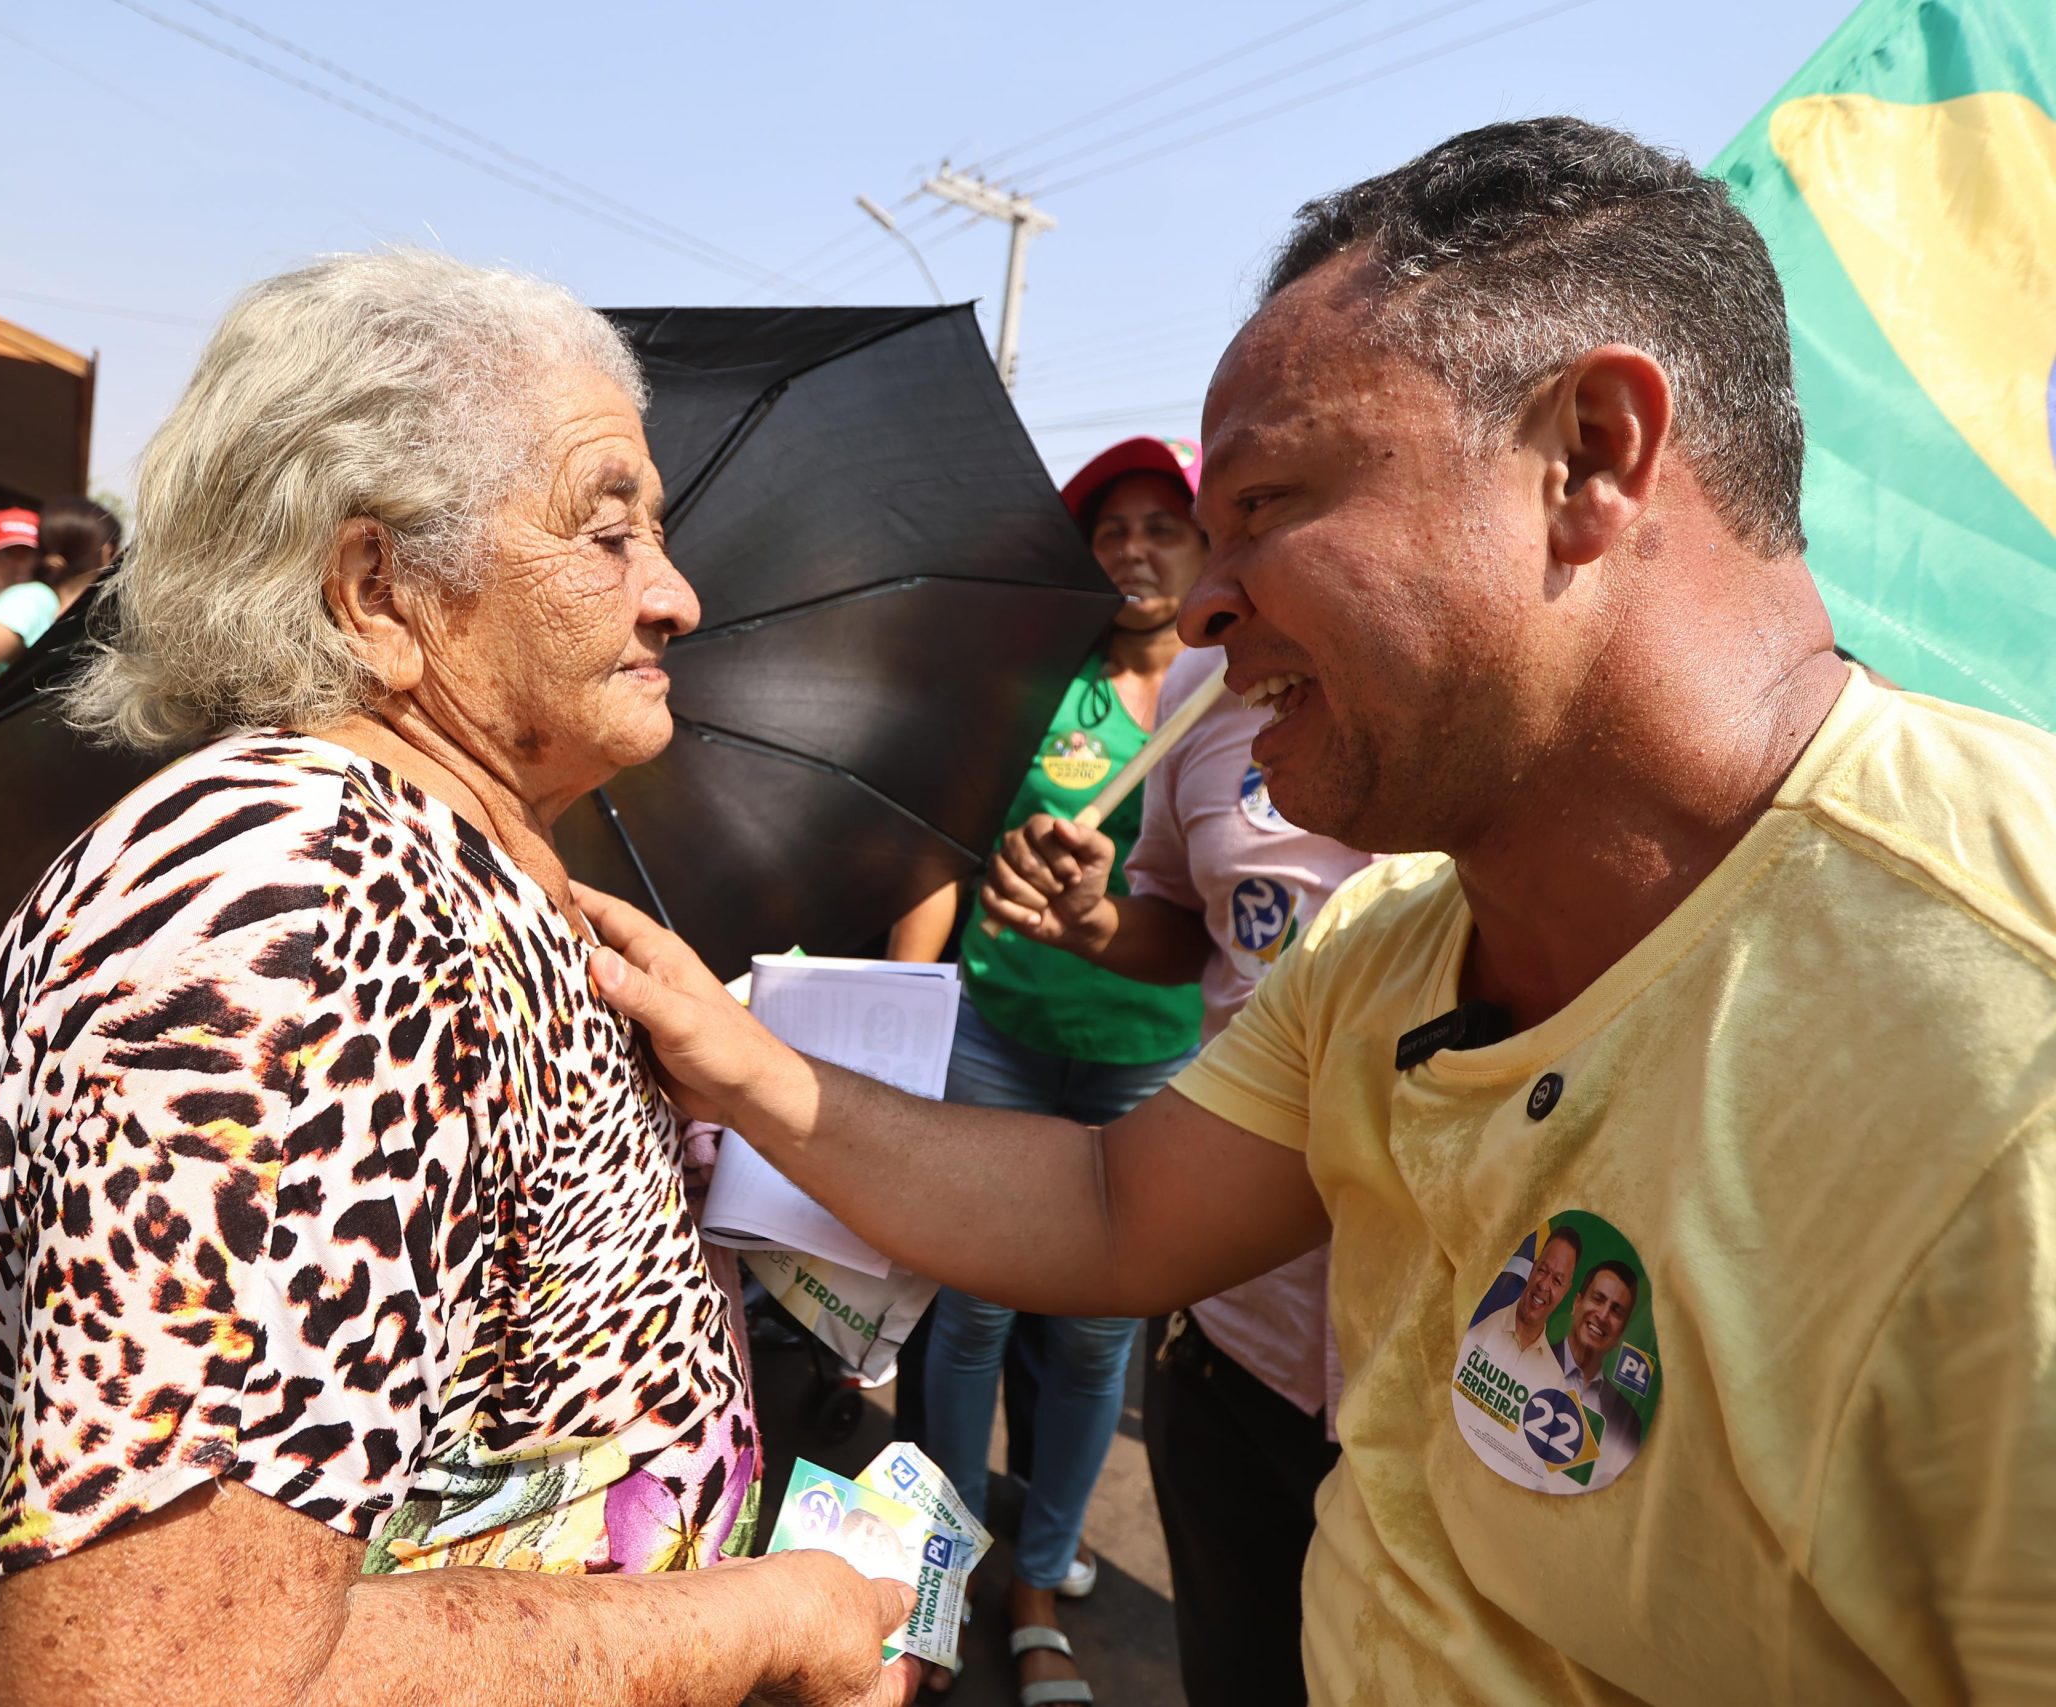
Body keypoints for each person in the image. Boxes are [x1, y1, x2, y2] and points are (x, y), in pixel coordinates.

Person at [576, 117, 2056, 1704]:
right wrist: (733, 1056)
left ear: (1593, 456)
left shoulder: (2002, 1045)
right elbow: (1109, 1207)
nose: (1204, 603)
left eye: (1268, 506)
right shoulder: (1390, 950)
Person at [0, 251, 918, 1707]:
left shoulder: (437, 860)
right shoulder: (294, 920)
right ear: (376, 588)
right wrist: (766, 1618)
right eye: (606, 532)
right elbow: (163, 1682)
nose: (678, 594)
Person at [977, 586, 1372, 1703]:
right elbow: (1179, 922)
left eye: (1266, 505)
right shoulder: (1202, 695)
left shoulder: (1502, 715)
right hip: (1233, 1332)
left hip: (1437, 1366)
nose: (1211, 589)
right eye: (1220, 515)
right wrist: (1091, 921)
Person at [884, 435, 1207, 1703]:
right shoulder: (1037, 686)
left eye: (1159, 526)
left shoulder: (1236, 697)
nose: (1132, 550)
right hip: (1000, 1042)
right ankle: (945, 1575)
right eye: (1109, 530)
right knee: (968, 1320)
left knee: (1091, 1340)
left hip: (1148, 1062)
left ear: (1202, 546)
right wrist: (912, 1014)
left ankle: (1042, 1582)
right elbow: (941, 854)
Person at [0, 495, 118, 704]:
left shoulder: (50, 603)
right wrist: (7, 733)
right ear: (107, 554)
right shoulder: (36, 598)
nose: (17, 563)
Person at [1452, 1225, 1577, 1406]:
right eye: (1542, 1270)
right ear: (1533, 1269)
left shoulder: (1555, 1380)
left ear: (1566, 1291)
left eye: (1557, 1281)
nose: (1544, 1285)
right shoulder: (1477, 1323)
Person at [1550, 1260, 1644, 1490]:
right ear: (1577, 1303)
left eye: (1616, 1311)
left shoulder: (1627, 1423)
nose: (1602, 1315)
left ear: (1621, 1332)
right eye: (1598, 1299)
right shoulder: (1527, 1358)